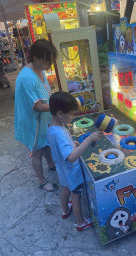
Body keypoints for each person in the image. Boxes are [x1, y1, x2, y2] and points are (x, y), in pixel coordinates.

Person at [47, 91, 103, 231]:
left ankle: (65, 211)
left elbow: (61, 149)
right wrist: (89, 139)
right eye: (71, 114)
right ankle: (80, 223)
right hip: (71, 171)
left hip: (62, 169)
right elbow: (71, 157)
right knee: (76, 196)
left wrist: (73, 144)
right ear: (60, 113)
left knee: (65, 190)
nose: (73, 117)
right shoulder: (59, 132)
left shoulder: (52, 126)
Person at [14, 39, 59, 192]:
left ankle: (52, 165)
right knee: (37, 152)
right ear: (35, 57)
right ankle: (41, 181)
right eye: (47, 61)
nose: (49, 65)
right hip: (32, 122)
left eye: (51, 61)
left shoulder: (39, 70)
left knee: (45, 142)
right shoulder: (28, 77)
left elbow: (45, 92)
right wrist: (58, 107)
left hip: (41, 121)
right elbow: (38, 106)